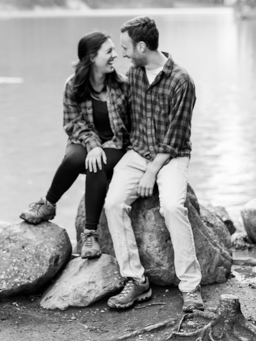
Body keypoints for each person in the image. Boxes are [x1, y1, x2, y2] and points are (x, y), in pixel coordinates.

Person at [104, 16, 203, 313]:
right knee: (113, 204)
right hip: (138, 151)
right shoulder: (134, 73)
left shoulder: (181, 80)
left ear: (142, 46)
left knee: (172, 206)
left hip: (171, 156)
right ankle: (136, 280)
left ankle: (190, 287)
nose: (122, 53)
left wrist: (151, 171)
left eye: (125, 47)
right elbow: (122, 114)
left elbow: (176, 136)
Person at [20, 31, 130, 259]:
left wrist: (102, 148)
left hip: (116, 145)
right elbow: (72, 123)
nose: (115, 55)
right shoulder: (73, 86)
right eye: (109, 51)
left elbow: (131, 128)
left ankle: (90, 234)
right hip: (84, 140)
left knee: (96, 164)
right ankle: (48, 204)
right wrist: (93, 144)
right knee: (73, 158)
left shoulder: (123, 86)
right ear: (92, 57)